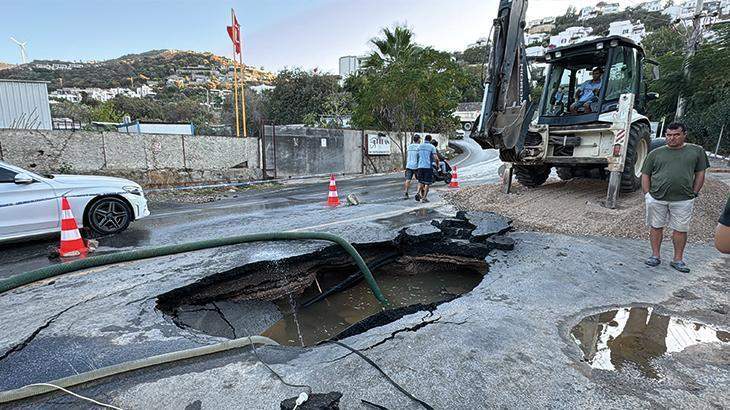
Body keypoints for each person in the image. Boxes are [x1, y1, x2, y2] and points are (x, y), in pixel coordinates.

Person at [641, 122, 709, 273]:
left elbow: (700, 173)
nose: (672, 138)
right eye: (668, 135)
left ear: (685, 134)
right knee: (656, 226)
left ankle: (677, 259)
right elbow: (645, 174)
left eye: (676, 135)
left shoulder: (696, 151)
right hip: (657, 197)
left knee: (680, 229)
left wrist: (695, 192)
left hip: (683, 199)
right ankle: (655, 255)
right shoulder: (655, 153)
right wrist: (647, 194)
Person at [415, 135, 439, 203]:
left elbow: (417, 156)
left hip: (420, 166)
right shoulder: (432, 147)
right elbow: (436, 158)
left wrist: (417, 164)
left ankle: (417, 193)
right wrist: (437, 165)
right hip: (428, 167)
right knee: (427, 183)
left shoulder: (419, 146)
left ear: (425, 139)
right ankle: (424, 198)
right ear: (430, 140)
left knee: (420, 181)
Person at [403, 135, 421, 199]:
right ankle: (417, 193)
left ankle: (406, 192)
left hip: (408, 165)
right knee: (420, 180)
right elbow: (419, 156)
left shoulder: (409, 146)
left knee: (408, 180)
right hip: (416, 166)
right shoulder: (419, 147)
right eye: (420, 139)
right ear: (418, 139)